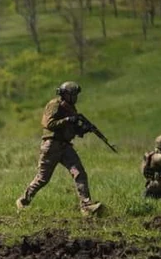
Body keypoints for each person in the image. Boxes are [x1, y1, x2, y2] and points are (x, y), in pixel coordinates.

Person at [16, 81, 103, 216]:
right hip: (52, 146)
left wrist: (83, 129)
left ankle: (86, 206)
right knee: (43, 178)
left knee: (79, 173)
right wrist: (68, 120)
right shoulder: (54, 105)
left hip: (65, 147)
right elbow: (49, 123)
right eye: (73, 95)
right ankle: (23, 201)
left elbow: (73, 130)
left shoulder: (72, 109)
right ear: (65, 95)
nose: (75, 98)